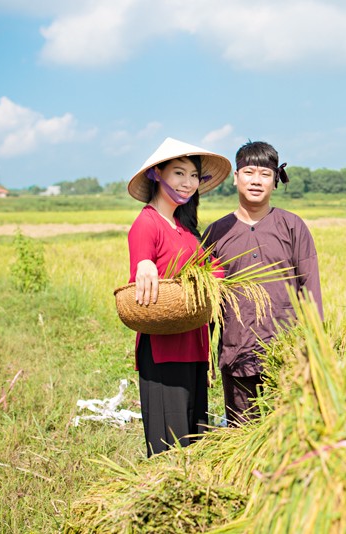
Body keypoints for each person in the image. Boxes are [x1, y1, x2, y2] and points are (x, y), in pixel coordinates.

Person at [203, 140, 322, 426]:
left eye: (265, 174)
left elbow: (311, 290)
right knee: (242, 438)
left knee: (291, 433)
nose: (256, 181)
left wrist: (316, 347)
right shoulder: (216, 233)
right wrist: (203, 355)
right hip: (237, 354)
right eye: (249, 172)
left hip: (286, 352)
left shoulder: (292, 226)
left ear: (275, 181)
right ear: (236, 178)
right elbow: (207, 302)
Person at [126, 137, 232, 457]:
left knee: (195, 441)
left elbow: (215, 273)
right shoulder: (147, 223)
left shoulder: (185, 228)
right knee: (170, 448)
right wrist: (145, 263)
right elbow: (141, 261)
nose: (188, 184)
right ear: (157, 174)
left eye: (193, 176)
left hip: (195, 346)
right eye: (178, 173)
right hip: (165, 348)